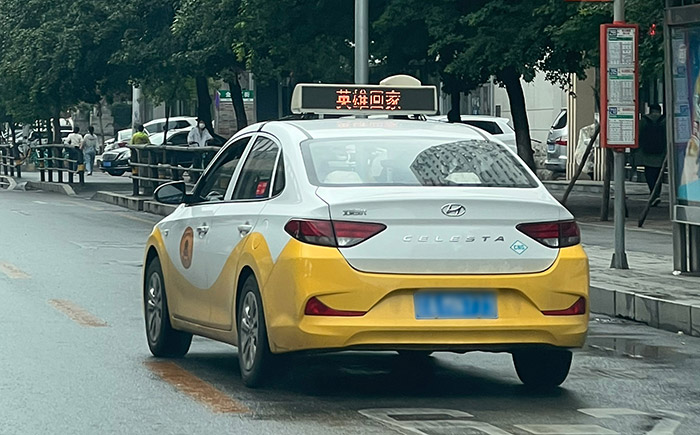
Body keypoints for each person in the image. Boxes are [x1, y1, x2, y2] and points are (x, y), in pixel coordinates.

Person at [637, 104, 667, 206]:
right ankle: (656, 194)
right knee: (659, 174)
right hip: (661, 153)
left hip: (646, 152)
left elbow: (638, 134)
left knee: (649, 174)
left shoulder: (644, 120)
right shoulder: (665, 120)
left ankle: (653, 193)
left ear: (650, 110)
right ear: (659, 110)